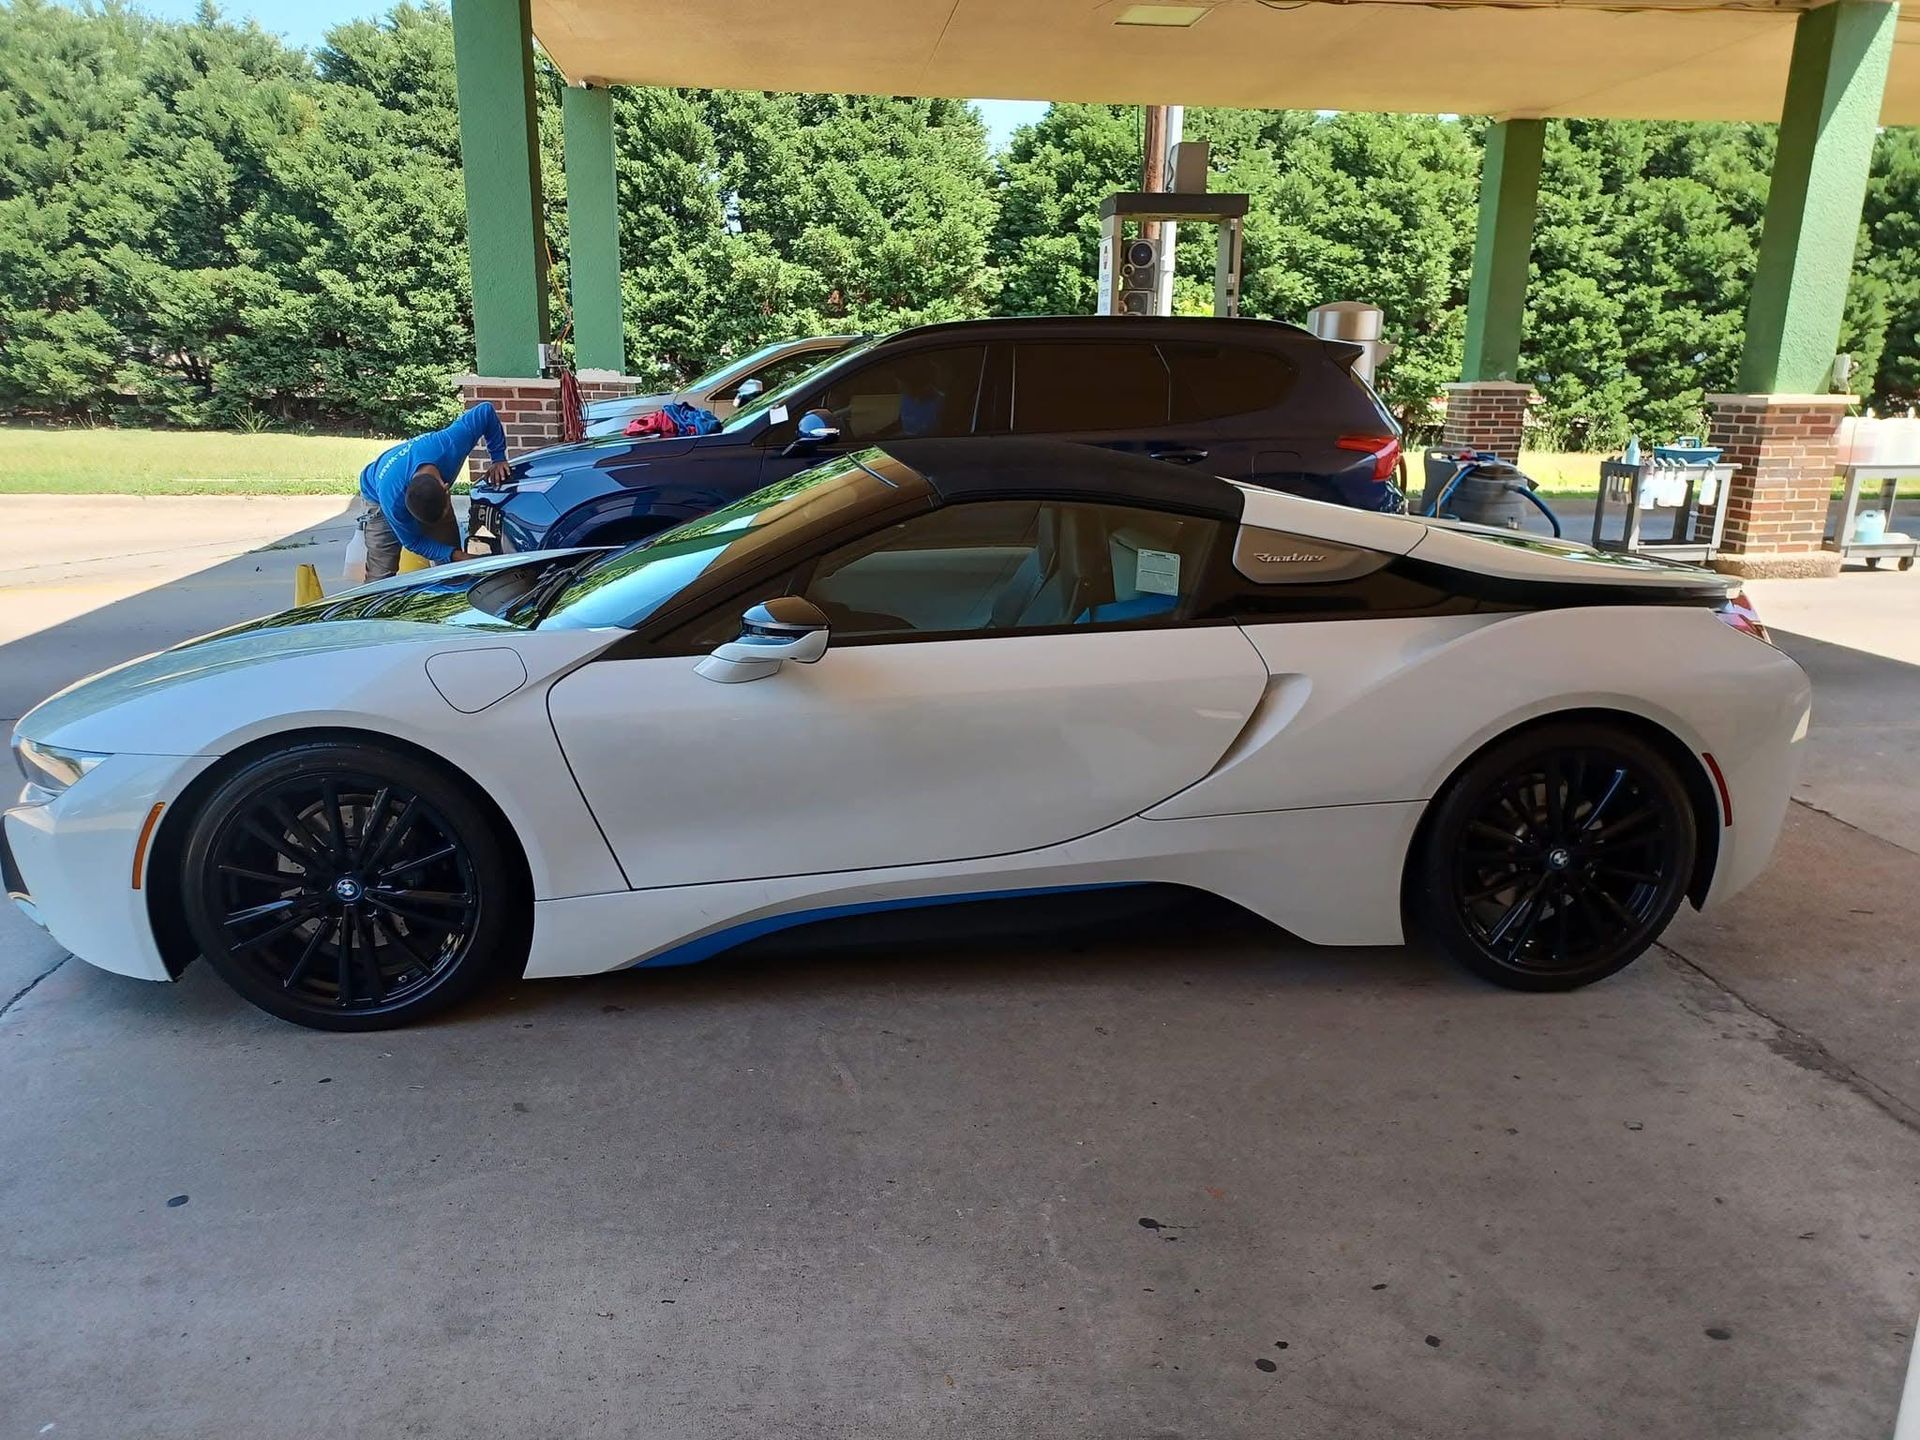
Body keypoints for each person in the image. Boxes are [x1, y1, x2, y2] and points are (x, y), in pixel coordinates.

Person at [358, 402, 512, 580]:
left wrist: (498, 458)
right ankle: (377, 600)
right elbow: (414, 542)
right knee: (381, 572)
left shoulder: (450, 443)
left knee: (454, 570)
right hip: (376, 497)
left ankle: (452, 590)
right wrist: (457, 555)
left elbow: (485, 411)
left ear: (446, 490)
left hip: (413, 483)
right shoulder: (393, 503)